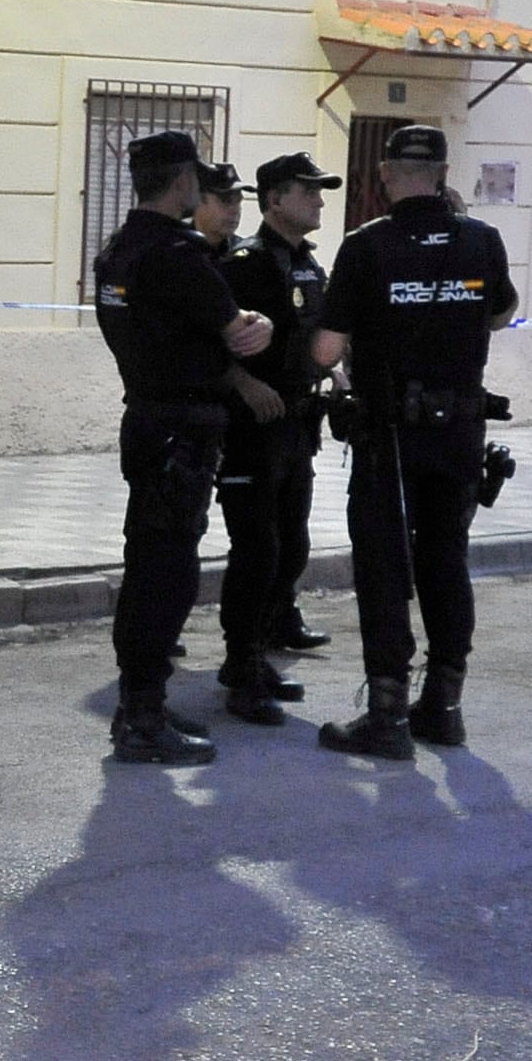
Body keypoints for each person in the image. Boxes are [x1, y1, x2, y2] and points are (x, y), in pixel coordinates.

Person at [305, 123, 517, 759]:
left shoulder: (367, 246)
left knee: (384, 566)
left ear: (387, 175)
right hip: (459, 430)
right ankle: (444, 708)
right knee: (446, 560)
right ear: (445, 174)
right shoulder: (482, 240)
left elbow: (326, 348)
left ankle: (387, 715)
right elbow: (503, 311)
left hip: (389, 434)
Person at [91, 131, 273, 764]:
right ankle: (142, 717)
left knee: (146, 565)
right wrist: (264, 322)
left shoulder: (117, 252)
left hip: (144, 420)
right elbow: (239, 334)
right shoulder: (178, 254)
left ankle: (139, 705)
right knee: (167, 575)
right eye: (195, 177)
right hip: (182, 432)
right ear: (180, 184)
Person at [198, 165, 300, 727]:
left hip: (286, 421)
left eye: (237, 198)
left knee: (284, 544)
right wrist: (243, 382)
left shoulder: (269, 258)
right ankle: (240, 665)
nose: (232, 208)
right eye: (221, 198)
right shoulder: (216, 264)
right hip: (237, 424)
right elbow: (201, 340)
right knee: (254, 547)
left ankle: (254, 658)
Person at [248, 151, 341, 670]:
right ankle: (250, 641)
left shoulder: (307, 263)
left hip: (302, 415)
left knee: (294, 529)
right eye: (308, 191)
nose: (318, 200)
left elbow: (316, 339)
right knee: (260, 537)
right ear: (275, 199)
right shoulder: (249, 263)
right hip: (260, 419)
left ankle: (282, 614)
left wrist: (337, 377)